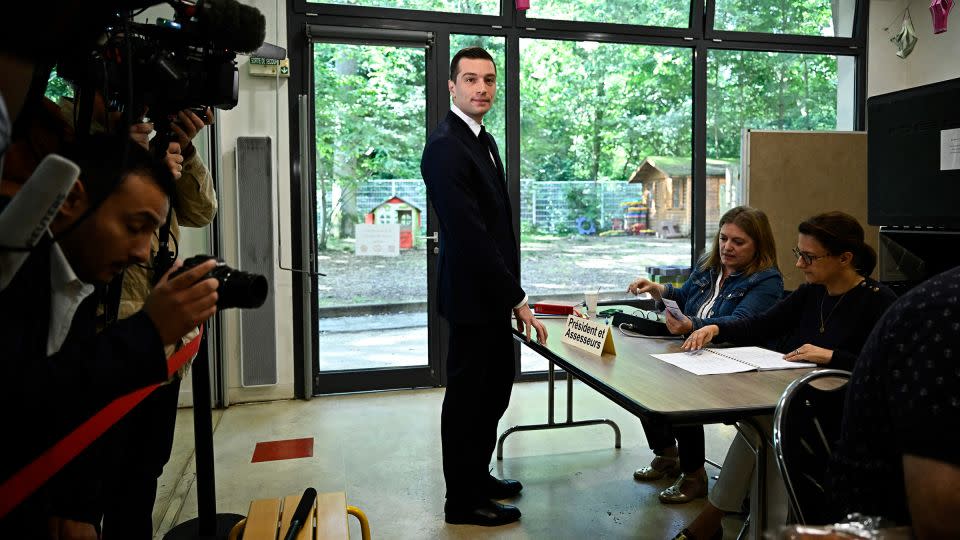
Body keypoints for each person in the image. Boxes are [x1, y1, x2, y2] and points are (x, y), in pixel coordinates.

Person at [0, 133, 220, 539]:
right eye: (134, 226)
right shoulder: (14, 278)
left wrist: (73, 507)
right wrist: (149, 333)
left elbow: (66, 408)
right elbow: (23, 401)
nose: (141, 251)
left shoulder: (79, 280)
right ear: (70, 199)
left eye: (151, 231)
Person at [672, 211, 897, 540]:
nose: (799, 265)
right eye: (798, 254)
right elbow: (761, 324)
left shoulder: (878, 302)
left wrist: (835, 356)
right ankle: (753, 525)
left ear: (845, 258)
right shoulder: (811, 292)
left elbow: (885, 369)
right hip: (800, 397)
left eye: (809, 257)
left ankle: (717, 521)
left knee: (764, 426)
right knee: (763, 425)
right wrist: (716, 327)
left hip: (845, 410)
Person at [420, 46, 546, 527]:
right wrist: (516, 297)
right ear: (451, 86)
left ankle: (477, 474)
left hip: (492, 295)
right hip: (474, 299)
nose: (482, 89)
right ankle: (462, 500)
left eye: (489, 80)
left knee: (493, 393)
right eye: (470, 79)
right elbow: (471, 236)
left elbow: (496, 228)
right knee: (469, 400)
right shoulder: (446, 144)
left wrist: (509, 293)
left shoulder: (482, 138)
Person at [626, 206, 783, 504]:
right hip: (695, 349)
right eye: (724, 238)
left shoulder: (766, 281)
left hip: (734, 360)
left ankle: (694, 475)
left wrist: (696, 325)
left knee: (682, 391)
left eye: (738, 242)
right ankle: (667, 453)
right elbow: (684, 296)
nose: (727, 247)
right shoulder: (710, 265)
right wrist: (658, 290)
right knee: (639, 379)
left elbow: (742, 324)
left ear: (758, 244)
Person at [830, 264, 960, 538]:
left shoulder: (878, 296)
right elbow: (940, 520)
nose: (800, 264)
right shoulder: (944, 313)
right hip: (883, 525)